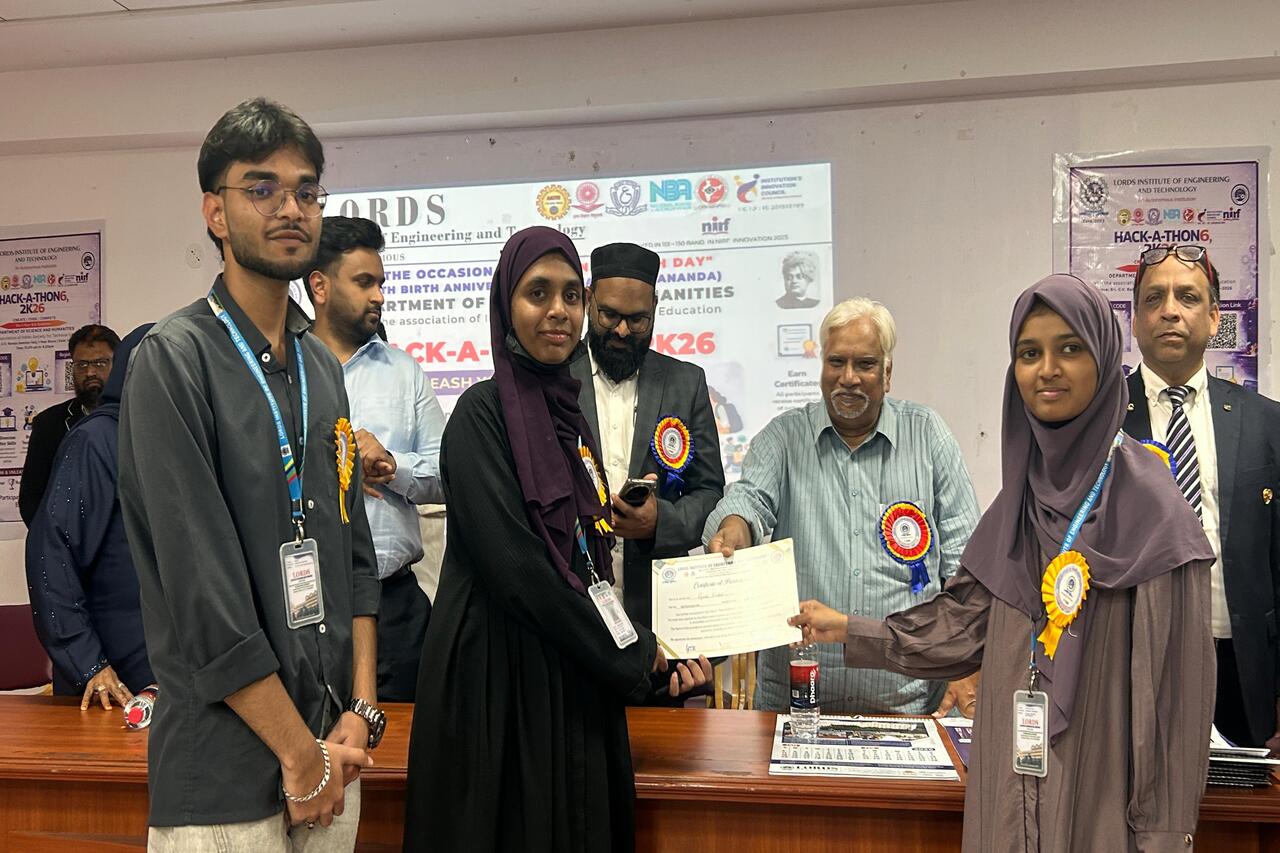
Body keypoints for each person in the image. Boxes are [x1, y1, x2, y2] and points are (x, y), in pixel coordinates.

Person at [792, 274, 1215, 851]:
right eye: (1029, 353)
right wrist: (850, 629)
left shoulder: (1152, 506)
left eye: (1070, 348)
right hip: (1007, 788)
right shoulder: (1020, 501)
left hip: (1099, 795)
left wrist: (1163, 836)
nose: (1047, 370)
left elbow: (1173, 703)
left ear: (1104, 359)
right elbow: (963, 626)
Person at [118, 98, 384, 852]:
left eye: (306, 191)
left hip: (333, 753)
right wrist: (299, 757)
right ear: (215, 212)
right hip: (226, 776)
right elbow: (204, 597)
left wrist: (360, 711)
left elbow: (353, 557)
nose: (290, 208)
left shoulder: (321, 368)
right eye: (261, 189)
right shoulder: (173, 361)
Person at [403, 226, 665, 853]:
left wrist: (633, 646)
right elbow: (519, 571)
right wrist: (630, 654)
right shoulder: (480, 415)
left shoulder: (571, 420)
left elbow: (586, 558)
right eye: (537, 293)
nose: (558, 311)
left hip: (569, 669)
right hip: (495, 681)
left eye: (572, 295)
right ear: (506, 305)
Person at [704, 297, 981, 716]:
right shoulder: (784, 437)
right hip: (797, 707)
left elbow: (965, 567)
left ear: (887, 373)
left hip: (908, 705)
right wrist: (735, 525)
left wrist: (966, 660)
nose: (848, 378)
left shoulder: (928, 436)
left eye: (865, 364)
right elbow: (750, 498)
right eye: (836, 362)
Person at [1122, 244, 1280, 751]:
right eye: (1154, 298)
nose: (1170, 310)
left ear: (1213, 318)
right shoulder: (1102, 423)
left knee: (1239, 802)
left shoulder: (1266, 423)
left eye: (1187, 297)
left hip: (1242, 668)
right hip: (1130, 667)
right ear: (1135, 321)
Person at [573, 241, 723, 703]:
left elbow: (711, 493)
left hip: (659, 633)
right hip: (574, 627)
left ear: (655, 308)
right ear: (589, 299)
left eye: (637, 320)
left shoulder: (685, 382)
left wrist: (661, 522)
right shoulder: (554, 378)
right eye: (609, 315)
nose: (622, 330)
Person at [307, 216, 445, 703]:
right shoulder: (284, 370)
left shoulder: (404, 372)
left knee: (405, 744)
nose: (379, 296)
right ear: (319, 286)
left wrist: (392, 466)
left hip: (396, 610)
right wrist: (324, 470)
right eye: (364, 282)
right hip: (307, 607)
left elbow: (446, 477)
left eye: (380, 283)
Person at [25, 324, 155, 708]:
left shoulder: (164, 438)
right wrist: (88, 664)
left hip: (161, 666)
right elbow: (51, 554)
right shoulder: (97, 440)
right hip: (110, 675)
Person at [18, 324, 119, 524]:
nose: (90, 372)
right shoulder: (48, 424)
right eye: (81, 364)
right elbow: (31, 499)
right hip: (66, 537)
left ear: (118, 364)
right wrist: (54, 538)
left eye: (100, 363)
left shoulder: (135, 417)